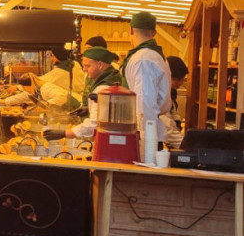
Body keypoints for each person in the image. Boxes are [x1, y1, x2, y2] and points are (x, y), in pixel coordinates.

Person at [43, 47, 122, 140]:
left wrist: (65, 133)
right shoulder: (108, 79)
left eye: (87, 66)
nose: (84, 69)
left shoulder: (104, 89)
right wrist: (88, 108)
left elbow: (94, 124)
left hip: (109, 139)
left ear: (100, 65)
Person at [122, 12, 172, 148]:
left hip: (145, 136)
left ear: (131, 30)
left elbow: (145, 101)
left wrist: (143, 138)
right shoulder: (157, 56)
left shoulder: (142, 59)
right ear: (154, 33)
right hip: (151, 131)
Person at [162, 56, 189, 149]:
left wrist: (177, 124)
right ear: (168, 76)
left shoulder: (171, 92)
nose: (181, 82)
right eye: (178, 79)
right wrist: (186, 146)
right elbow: (167, 127)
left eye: (182, 79)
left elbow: (174, 113)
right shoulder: (160, 95)